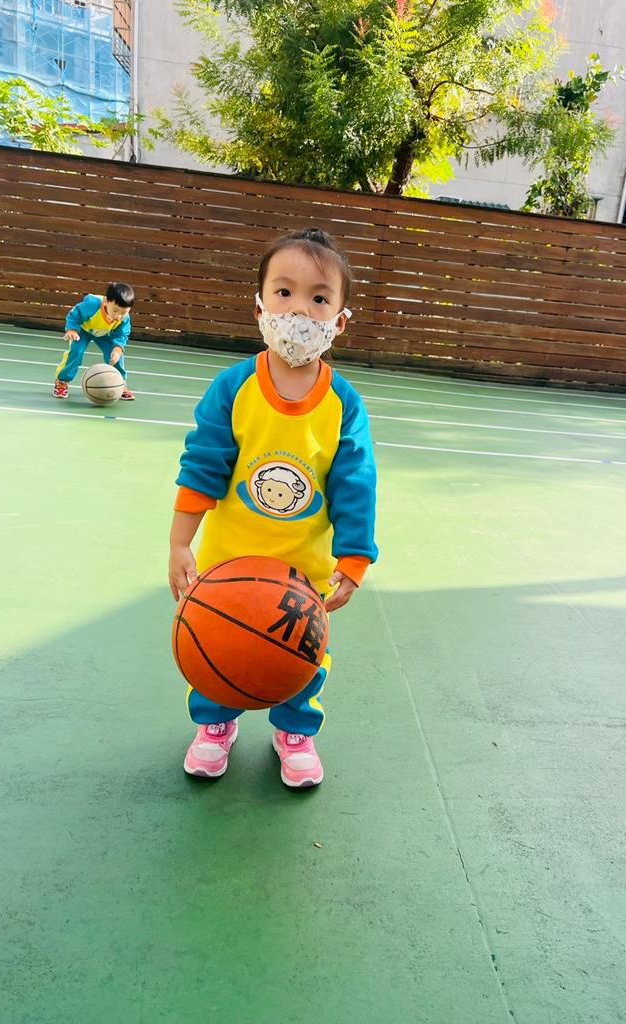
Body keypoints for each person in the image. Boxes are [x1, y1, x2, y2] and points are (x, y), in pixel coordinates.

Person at [169, 227, 378, 788]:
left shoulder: (342, 403)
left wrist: (354, 559)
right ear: (259, 304)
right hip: (229, 564)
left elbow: (356, 484)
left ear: (340, 320)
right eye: (284, 291)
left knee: (302, 657)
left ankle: (295, 732)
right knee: (216, 643)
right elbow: (202, 467)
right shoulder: (233, 387)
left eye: (319, 297)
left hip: (301, 573)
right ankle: (215, 725)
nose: (299, 309)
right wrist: (179, 542)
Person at [53, 282, 135, 400]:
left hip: (104, 334)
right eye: (115, 310)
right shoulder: (92, 305)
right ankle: (62, 381)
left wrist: (117, 348)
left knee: (116, 356)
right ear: (106, 302)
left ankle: (120, 384)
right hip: (83, 331)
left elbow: (121, 334)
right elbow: (75, 314)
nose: (118, 316)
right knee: (76, 352)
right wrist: (72, 329)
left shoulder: (124, 318)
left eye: (123, 312)